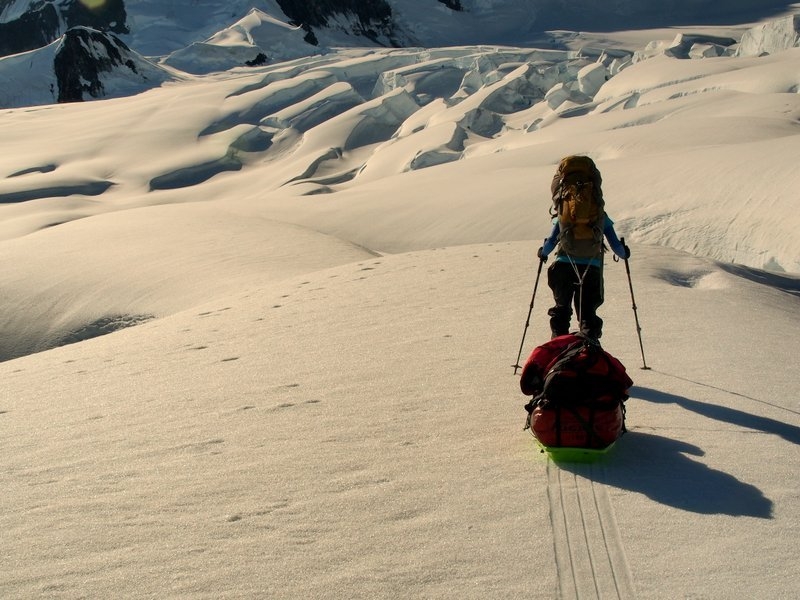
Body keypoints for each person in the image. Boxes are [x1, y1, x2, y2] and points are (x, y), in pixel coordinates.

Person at [537, 162, 629, 339]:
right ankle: (589, 348)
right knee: (587, 315)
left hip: (564, 266)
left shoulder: (565, 214)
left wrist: (543, 252)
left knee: (562, 311)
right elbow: (618, 248)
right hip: (591, 268)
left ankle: (559, 345)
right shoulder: (599, 215)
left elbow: (551, 242)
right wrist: (625, 253)